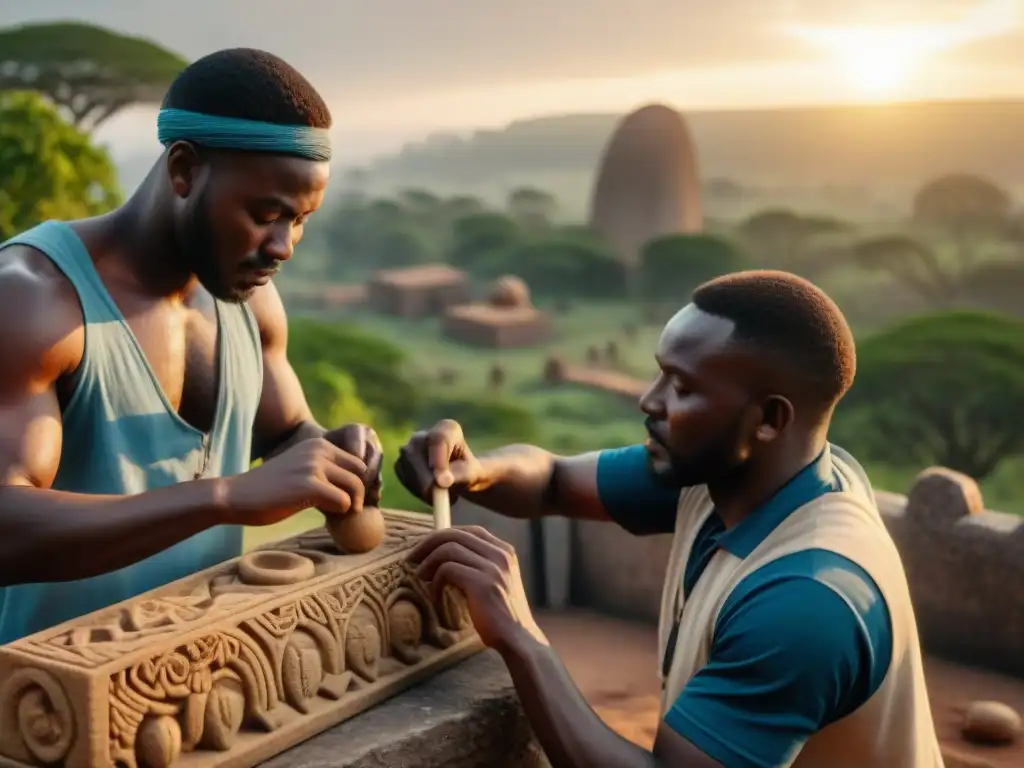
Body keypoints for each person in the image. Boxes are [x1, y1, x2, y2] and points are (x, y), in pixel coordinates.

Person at [396, 271, 944, 768]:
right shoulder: (731, 478)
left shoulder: (806, 602)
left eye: (681, 387)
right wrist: (476, 468)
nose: (648, 400)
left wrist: (519, 636)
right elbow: (554, 480)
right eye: (659, 375)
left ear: (770, 420)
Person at [0, 48, 380, 642]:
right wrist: (224, 497)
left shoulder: (250, 302)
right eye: (266, 213)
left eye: (300, 219)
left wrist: (335, 455)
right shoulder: (34, 300)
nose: (283, 245)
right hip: (42, 708)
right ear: (184, 170)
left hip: (197, 686)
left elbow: (283, 436)